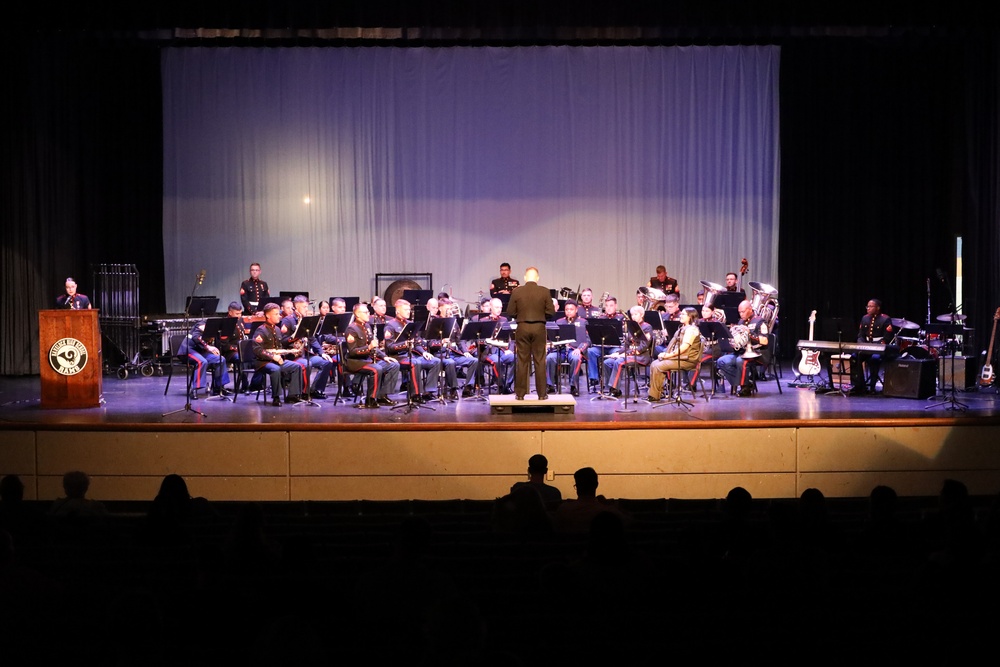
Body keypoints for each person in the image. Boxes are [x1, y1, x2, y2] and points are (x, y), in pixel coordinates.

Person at [506, 266, 555, 399]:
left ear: (524, 278)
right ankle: (542, 394)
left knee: (522, 360)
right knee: (540, 360)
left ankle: (520, 394)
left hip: (522, 327)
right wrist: (540, 315)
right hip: (539, 327)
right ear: (537, 278)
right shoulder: (544, 291)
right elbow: (551, 312)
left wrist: (521, 315)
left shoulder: (517, 291)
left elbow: (510, 312)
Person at [384, 299, 441, 402]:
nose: (408, 312)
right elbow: (390, 347)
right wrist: (404, 344)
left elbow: (416, 343)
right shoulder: (390, 325)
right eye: (405, 309)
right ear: (397, 311)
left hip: (411, 355)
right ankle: (415, 394)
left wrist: (424, 352)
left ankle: (428, 392)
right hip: (397, 357)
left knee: (435, 361)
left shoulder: (410, 323)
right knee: (415, 363)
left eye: (409, 309)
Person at [346, 302, 401, 409]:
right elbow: (352, 351)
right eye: (365, 312)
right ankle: (370, 399)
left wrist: (384, 356)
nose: (368, 314)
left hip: (367, 360)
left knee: (393, 364)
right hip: (356, 362)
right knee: (376, 369)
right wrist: (369, 348)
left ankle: (382, 395)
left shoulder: (366, 326)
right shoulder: (351, 329)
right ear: (357, 314)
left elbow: (374, 346)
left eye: (368, 311)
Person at [251, 303, 305, 406]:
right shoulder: (261, 330)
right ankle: (276, 397)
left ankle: (292, 396)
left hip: (277, 360)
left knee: (296, 366)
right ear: (268, 315)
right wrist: (273, 356)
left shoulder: (277, 329)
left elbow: (279, 348)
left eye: (278, 314)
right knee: (275, 369)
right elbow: (257, 350)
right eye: (275, 314)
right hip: (263, 362)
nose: (279, 316)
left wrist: (291, 351)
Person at [281, 295, 333, 399]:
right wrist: (295, 336)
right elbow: (283, 341)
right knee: (307, 364)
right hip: (293, 355)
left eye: (306, 307)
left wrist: (322, 352)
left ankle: (316, 389)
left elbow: (312, 339)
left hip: (305, 353)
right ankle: (300, 393)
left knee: (326, 362)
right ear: (296, 306)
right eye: (304, 307)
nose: (306, 309)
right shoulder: (288, 320)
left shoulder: (305, 320)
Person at [648, 306, 703, 401]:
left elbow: (684, 347)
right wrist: (665, 354)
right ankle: (657, 393)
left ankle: (655, 395)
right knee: (654, 363)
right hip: (680, 357)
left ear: (690, 316)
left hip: (687, 359)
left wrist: (668, 356)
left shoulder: (692, 330)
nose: (680, 315)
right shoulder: (682, 328)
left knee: (658, 366)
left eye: (683, 314)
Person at [717, 299, 770, 397]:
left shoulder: (760, 321)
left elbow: (765, 341)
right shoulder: (741, 321)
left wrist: (750, 334)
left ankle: (744, 387)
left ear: (750, 309)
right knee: (722, 361)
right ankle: (747, 383)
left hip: (758, 353)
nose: (741, 314)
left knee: (740, 361)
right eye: (739, 312)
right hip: (742, 352)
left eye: (743, 311)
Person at [553, 467, 627, 534]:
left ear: (577, 486)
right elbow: (629, 521)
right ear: (596, 485)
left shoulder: (564, 510)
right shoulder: (608, 511)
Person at [602, 305, 653, 397]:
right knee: (607, 362)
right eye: (632, 315)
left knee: (619, 362)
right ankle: (609, 388)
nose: (633, 317)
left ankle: (615, 389)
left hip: (641, 356)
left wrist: (625, 354)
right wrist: (618, 353)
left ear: (642, 315)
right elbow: (627, 344)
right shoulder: (632, 326)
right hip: (630, 355)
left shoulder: (647, 327)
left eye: (635, 314)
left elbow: (643, 347)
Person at [178, 318, 232, 399]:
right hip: (188, 350)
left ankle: (219, 388)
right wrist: (208, 347)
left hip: (200, 351)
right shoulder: (202, 324)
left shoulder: (216, 328)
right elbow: (196, 337)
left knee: (220, 359)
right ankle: (194, 389)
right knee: (202, 361)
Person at [545, 299, 590, 396]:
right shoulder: (559, 321)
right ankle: (550, 385)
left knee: (575, 358)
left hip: (574, 350)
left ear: (576, 310)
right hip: (560, 350)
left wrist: (579, 349)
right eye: (567, 309)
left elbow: (587, 340)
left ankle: (574, 386)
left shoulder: (583, 322)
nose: (569, 311)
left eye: (571, 309)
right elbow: (553, 338)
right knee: (550, 358)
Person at [857, 298, 897, 393]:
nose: (868, 308)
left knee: (874, 359)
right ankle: (860, 385)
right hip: (866, 346)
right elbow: (860, 335)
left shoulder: (885, 319)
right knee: (855, 357)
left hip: (879, 348)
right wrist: (861, 344)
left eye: (871, 306)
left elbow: (887, 338)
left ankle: (872, 386)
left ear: (878, 308)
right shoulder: (864, 318)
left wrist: (875, 346)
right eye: (867, 306)